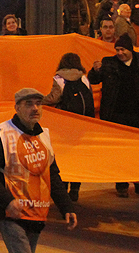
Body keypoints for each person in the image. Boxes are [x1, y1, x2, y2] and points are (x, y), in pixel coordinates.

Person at [0, 88, 77, 253]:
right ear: (17, 108)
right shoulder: (2, 134)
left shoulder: (43, 136)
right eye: (29, 104)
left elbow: (52, 174)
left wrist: (66, 207)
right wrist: (7, 201)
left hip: (37, 213)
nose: (35, 108)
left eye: (38, 104)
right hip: (11, 214)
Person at [88, 34, 139, 198]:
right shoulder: (108, 63)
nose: (120, 53)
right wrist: (94, 70)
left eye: (123, 49)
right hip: (116, 116)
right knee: (119, 153)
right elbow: (93, 80)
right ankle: (121, 184)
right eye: (117, 49)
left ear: (131, 49)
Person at [41, 53, 94, 202]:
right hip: (82, 123)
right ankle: (76, 188)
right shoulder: (84, 78)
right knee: (78, 156)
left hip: (65, 124)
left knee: (64, 156)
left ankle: (63, 186)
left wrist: (38, 100)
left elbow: (54, 98)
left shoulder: (59, 79)